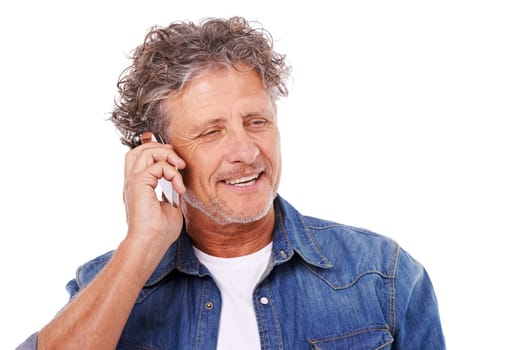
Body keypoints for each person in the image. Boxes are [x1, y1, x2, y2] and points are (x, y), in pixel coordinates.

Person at [17, 16, 445, 350]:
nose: (246, 150)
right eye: (211, 132)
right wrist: (141, 245)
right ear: (158, 151)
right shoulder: (107, 284)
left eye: (257, 122)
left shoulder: (382, 277)